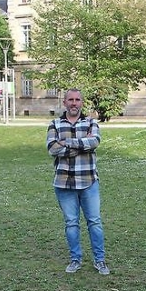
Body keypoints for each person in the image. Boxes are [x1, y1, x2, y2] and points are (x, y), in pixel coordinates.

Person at [46, 88, 110, 275]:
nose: (74, 103)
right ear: (64, 102)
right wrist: (81, 144)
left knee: (95, 222)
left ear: (82, 103)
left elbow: (95, 142)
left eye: (77, 100)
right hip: (64, 183)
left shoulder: (91, 122)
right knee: (71, 223)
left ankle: (100, 260)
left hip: (89, 181)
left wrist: (66, 142)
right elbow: (52, 148)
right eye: (70, 100)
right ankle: (76, 259)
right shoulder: (55, 123)